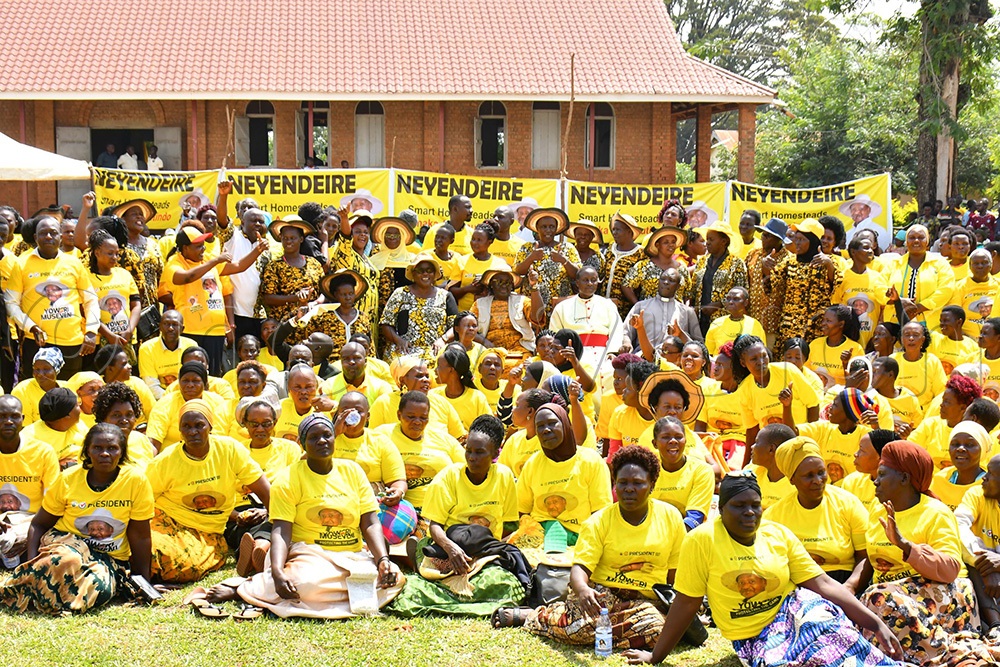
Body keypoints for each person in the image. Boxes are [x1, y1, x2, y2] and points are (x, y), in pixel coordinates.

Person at [625, 472, 905, 666]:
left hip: (795, 611)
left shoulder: (778, 534)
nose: (749, 512)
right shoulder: (701, 541)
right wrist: (656, 656)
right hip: (753, 635)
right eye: (739, 506)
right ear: (721, 510)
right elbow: (686, 602)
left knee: (828, 630)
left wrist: (875, 623)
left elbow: (822, 584)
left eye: (755, 505)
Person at [205, 413, 403, 619]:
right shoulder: (289, 478)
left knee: (393, 578)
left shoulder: (353, 471)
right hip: (310, 555)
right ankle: (247, 588)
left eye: (327, 435)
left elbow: (370, 523)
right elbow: (281, 530)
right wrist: (278, 571)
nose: (322, 441)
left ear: (335, 438)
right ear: (302, 443)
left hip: (351, 554)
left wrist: (382, 560)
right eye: (313, 437)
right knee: (306, 585)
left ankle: (296, 590)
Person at [510, 446, 690, 649]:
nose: (629, 489)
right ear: (615, 484)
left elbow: (676, 571)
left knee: (654, 628)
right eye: (622, 483)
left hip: (647, 601)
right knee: (651, 629)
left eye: (638, 483)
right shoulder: (598, 521)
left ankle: (556, 618)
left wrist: (679, 607)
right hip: (603, 597)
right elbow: (580, 568)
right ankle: (540, 617)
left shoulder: (670, 516)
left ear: (652, 484)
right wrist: (583, 590)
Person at [852, 440, 1000, 665]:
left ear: (904, 478)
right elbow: (871, 560)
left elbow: (950, 569)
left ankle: (953, 655)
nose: (876, 481)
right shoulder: (877, 508)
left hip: (944, 596)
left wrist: (906, 546)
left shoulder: (935, 513)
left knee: (877, 599)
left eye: (882, 474)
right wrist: (850, 586)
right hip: (893, 599)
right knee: (869, 604)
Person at [0, 423, 154, 615]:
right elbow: (39, 524)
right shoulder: (68, 479)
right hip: (65, 544)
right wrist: (32, 562)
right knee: (68, 560)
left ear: (121, 453)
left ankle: (44, 595)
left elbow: (140, 535)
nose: (104, 453)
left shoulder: (136, 481)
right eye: (97, 448)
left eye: (112, 448)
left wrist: (143, 582)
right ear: (87, 451)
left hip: (109, 558)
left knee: (101, 590)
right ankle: (30, 583)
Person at [146, 399, 269, 583]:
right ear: (179, 430)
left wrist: (273, 515)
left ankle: (261, 550)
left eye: (199, 425)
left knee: (186, 565)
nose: (192, 432)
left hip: (208, 530)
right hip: (167, 519)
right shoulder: (166, 460)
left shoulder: (229, 449)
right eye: (186, 426)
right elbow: (143, 499)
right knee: (150, 548)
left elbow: (263, 488)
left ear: (210, 426)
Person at [159, 224, 264, 376]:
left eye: (203, 245)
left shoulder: (207, 259)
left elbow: (238, 266)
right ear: (184, 248)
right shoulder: (174, 263)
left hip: (215, 331)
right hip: (191, 330)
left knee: (213, 374)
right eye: (198, 246)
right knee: (193, 374)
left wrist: (257, 250)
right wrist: (215, 261)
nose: (203, 249)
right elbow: (186, 277)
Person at [4, 215, 99, 378]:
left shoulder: (74, 263)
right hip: (37, 343)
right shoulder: (21, 264)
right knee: (38, 392)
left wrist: (91, 331)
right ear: (35, 237)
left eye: (53, 232)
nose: (48, 236)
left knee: (68, 393)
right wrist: (31, 327)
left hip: (72, 342)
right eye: (43, 233)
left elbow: (90, 300)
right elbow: (10, 302)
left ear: (61, 237)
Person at [764, 437, 869, 583]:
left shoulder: (847, 503)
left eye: (821, 472)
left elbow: (865, 556)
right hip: (800, 586)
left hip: (845, 581)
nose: (818, 480)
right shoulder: (774, 516)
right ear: (792, 479)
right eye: (808, 476)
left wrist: (850, 588)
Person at [515, 403, 612, 548]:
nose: (546, 430)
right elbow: (522, 510)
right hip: (538, 538)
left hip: (580, 539)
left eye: (553, 423)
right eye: (540, 426)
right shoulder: (533, 464)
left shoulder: (591, 461)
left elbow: (601, 513)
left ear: (566, 425)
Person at [227, 397, 300, 577]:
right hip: (240, 512)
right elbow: (221, 493)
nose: (260, 429)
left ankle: (258, 548)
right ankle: (260, 549)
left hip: (276, 507)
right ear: (244, 424)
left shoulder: (289, 449)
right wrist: (237, 516)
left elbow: (295, 485)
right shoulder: (234, 451)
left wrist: (268, 511)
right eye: (254, 424)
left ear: (275, 422)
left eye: (266, 424)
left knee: (273, 521)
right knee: (241, 528)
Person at [373, 390, 463, 512]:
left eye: (423, 417)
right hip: (397, 509)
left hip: (442, 508)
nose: (417, 421)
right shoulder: (381, 435)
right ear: (399, 415)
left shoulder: (444, 439)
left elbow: (465, 471)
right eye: (411, 417)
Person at [732, 335, 820, 454]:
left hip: (799, 442)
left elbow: (813, 404)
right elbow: (752, 430)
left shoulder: (788, 371)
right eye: (754, 359)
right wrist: (746, 466)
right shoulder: (745, 389)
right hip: (771, 450)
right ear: (743, 363)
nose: (761, 362)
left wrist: (809, 442)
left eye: (764, 356)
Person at [0, 395, 59, 568]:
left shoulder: (43, 452)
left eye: (14, 416)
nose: (8, 421)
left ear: (23, 419)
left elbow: (53, 501)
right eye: (2, 416)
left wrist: (32, 528)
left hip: (32, 519)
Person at [766, 218, 842, 348]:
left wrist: (828, 264)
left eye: (801, 239)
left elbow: (836, 284)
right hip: (790, 328)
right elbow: (773, 287)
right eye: (796, 239)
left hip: (815, 329)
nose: (797, 243)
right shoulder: (789, 262)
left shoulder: (827, 262)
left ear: (813, 242)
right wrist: (766, 268)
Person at [380, 254, 458, 363]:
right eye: (420, 271)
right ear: (413, 274)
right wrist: (399, 341)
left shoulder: (445, 296)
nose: (425, 274)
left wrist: (443, 340)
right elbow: (386, 323)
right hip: (405, 349)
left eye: (429, 270)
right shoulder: (400, 293)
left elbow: (456, 326)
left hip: (435, 350)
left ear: (434, 273)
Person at [956, 452, 1000, 637]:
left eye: (990, 474)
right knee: (971, 561)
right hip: (985, 578)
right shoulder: (976, 495)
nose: (984, 478)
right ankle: (996, 627)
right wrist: (985, 562)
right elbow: (958, 525)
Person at [549, 266, 623, 373]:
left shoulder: (608, 305)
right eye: (585, 280)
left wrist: (612, 352)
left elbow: (616, 330)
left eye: (593, 280)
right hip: (574, 355)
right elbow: (555, 335)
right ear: (577, 282)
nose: (589, 283)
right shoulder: (562, 307)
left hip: (604, 354)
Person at [512, 208, 580, 320]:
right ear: (537, 229)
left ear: (556, 229)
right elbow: (517, 271)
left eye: (551, 227)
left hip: (560, 306)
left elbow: (577, 275)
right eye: (544, 227)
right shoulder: (527, 248)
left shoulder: (567, 248)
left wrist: (563, 260)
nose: (548, 230)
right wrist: (531, 257)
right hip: (532, 305)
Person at [145, 361, 230, 451]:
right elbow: (153, 442)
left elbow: (223, 439)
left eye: (195, 381)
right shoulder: (165, 404)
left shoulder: (218, 402)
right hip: (172, 459)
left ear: (205, 384)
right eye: (185, 381)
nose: (190, 385)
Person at [650, 416, 714, 531]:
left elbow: (694, 519)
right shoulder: (647, 468)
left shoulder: (701, 470)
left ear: (685, 441)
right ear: (655, 443)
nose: (673, 441)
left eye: (679, 437)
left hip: (686, 535)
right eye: (665, 437)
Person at [885, 224, 955, 327]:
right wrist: (898, 302)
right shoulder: (893, 264)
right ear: (906, 242)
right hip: (895, 321)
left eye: (921, 237)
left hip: (931, 323)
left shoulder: (940, 264)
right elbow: (879, 286)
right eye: (912, 238)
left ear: (927, 242)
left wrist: (919, 307)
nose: (916, 241)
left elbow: (946, 290)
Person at [259, 216, 325, 323]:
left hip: (313, 320)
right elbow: (268, 298)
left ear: (301, 239)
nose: (288, 241)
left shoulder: (314, 263)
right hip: (286, 323)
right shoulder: (274, 266)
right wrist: (295, 298)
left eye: (292, 238)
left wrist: (317, 302)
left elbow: (324, 290)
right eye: (285, 238)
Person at [222, 204, 272, 342]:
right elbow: (222, 222)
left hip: (261, 315)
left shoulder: (266, 247)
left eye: (261, 221)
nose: (257, 224)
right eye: (253, 221)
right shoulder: (233, 238)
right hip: (238, 314)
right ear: (242, 222)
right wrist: (223, 196)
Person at [623, 268, 702, 354]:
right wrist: (626, 342)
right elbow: (626, 331)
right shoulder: (641, 306)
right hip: (642, 357)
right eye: (663, 279)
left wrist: (681, 335)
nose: (666, 282)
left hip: (674, 360)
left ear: (678, 286)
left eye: (671, 280)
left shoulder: (687, 312)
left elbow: (699, 344)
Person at [688, 221, 748, 333]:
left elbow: (742, 292)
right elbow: (694, 290)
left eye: (711, 239)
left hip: (725, 320)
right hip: (700, 321)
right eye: (707, 239)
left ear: (723, 242)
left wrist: (718, 305)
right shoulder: (702, 262)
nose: (707, 243)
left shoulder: (736, 264)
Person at [86, 229, 141, 351]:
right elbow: (85, 310)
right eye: (110, 253)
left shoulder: (124, 274)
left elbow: (136, 305)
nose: (115, 257)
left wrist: (129, 330)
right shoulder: (86, 277)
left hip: (126, 339)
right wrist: (109, 335)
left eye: (117, 253)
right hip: (100, 342)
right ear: (97, 253)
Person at [471, 268, 541, 355]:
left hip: (520, 352)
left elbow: (538, 318)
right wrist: (485, 342)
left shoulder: (522, 301)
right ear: (491, 284)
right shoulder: (479, 304)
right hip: (490, 353)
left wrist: (534, 287)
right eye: (499, 282)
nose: (504, 285)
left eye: (508, 282)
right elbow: (468, 328)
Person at [92, 380, 157, 469]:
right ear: (103, 417)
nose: (124, 420)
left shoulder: (141, 440)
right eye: (116, 415)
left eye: (129, 414)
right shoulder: (94, 444)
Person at [330, 208, 381, 321]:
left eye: (365, 232)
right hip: (352, 317)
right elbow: (345, 238)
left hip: (370, 318)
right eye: (357, 231)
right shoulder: (346, 253)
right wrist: (344, 218)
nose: (362, 235)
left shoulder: (368, 260)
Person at [622, 225, 691, 307]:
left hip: (676, 316)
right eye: (666, 242)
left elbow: (688, 294)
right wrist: (638, 305)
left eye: (673, 242)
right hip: (649, 315)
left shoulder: (682, 268)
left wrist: (686, 309)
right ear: (657, 245)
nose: (671, 245)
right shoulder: (644, 266)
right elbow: (626, 285)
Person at [19, 387, 87, 469]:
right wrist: (57, 466)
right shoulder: (30, 438)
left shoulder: (79, 425)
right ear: (67, 415)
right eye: (77, 405)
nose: (80, 408)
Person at [930, 420, 992, 510]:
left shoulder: (989, 485)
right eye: (955, 444)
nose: (960, 449)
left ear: (982, 449)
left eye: (970, 444)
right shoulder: (940, 479)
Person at [745, 217, 790, 341]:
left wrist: (767, 272)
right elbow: (745, 282)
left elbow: (783, 288)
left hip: (773, 323)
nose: (763, 238)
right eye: (763, 234)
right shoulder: (753, 254)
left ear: (779, 240)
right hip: (751, 318)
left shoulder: (788, 260)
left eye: (768, 236)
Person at [430, 345, 493, 432]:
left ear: (451, 370)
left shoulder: (477, 398)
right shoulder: (432, 396)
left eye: (439, 366)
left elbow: (489, 428)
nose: (435, 370)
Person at [138, 309, 195, 399]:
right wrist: (173, 401)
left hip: (188, 396)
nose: (170, 328)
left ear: (182, 329)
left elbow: (195, 379)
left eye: (175, 325)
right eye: (166, 324)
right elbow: (151, 386)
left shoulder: (191, 346)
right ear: (159, 327)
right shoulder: (146, 348)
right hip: (160, 400)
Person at [890, 320, 947, 410]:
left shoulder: (932, 361)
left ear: (923, 339)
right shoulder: (892, 360)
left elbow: (940, 394)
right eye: (907, 335)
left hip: (925, 415)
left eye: (916, 335)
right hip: (897, 413)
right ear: (901, 339)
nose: (911, 338)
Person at [601, 212, 646, 320]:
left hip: (626, 311)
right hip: (603, 307)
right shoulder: (611, 248)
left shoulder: (640, 253)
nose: (614, 233)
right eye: (613, 229)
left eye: (618, 230)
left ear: (629, 232)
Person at [11, 347, 66, 425]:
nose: (40, 374)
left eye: (46, 369)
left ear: (56, 370)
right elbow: (24, 428)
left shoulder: (67, 389)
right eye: (36, 369)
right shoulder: (23, 390)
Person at [704, 286, 764, 355]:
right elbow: (709, 353)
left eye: (736, 299)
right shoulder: (716, 323)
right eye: (728, 299)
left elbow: (760, 353)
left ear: (746, 302)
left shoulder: (754, 324)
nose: (730, 302)